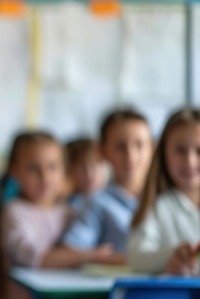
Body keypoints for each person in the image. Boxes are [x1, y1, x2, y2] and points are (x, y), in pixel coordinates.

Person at [0, 131, 118, 299]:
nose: (45, 176)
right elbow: (37, 259)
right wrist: (93, 255)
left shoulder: (69, 212)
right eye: (33, 168)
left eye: (52, 167)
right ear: (14, 171)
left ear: (63, 172)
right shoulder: (14, 212)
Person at [61, 108, 153, 258]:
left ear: (152, 148)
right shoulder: (96, 202)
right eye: (120, 147)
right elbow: (72, 249)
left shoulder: (167, 198)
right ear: (102, 151)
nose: (131, 155)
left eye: (139, 145)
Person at [128, 108, 200, 275]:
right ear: (163, 153)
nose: (190, 161)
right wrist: (172, 256)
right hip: (179, 298)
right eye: (180, 150)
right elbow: (137, 257)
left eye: (199, 151)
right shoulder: (157, 206)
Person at [64, 137, 107, 212]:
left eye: (95, 164)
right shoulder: (66, 206)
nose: (89, 173)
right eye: (81, 167)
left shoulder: (114, 198)